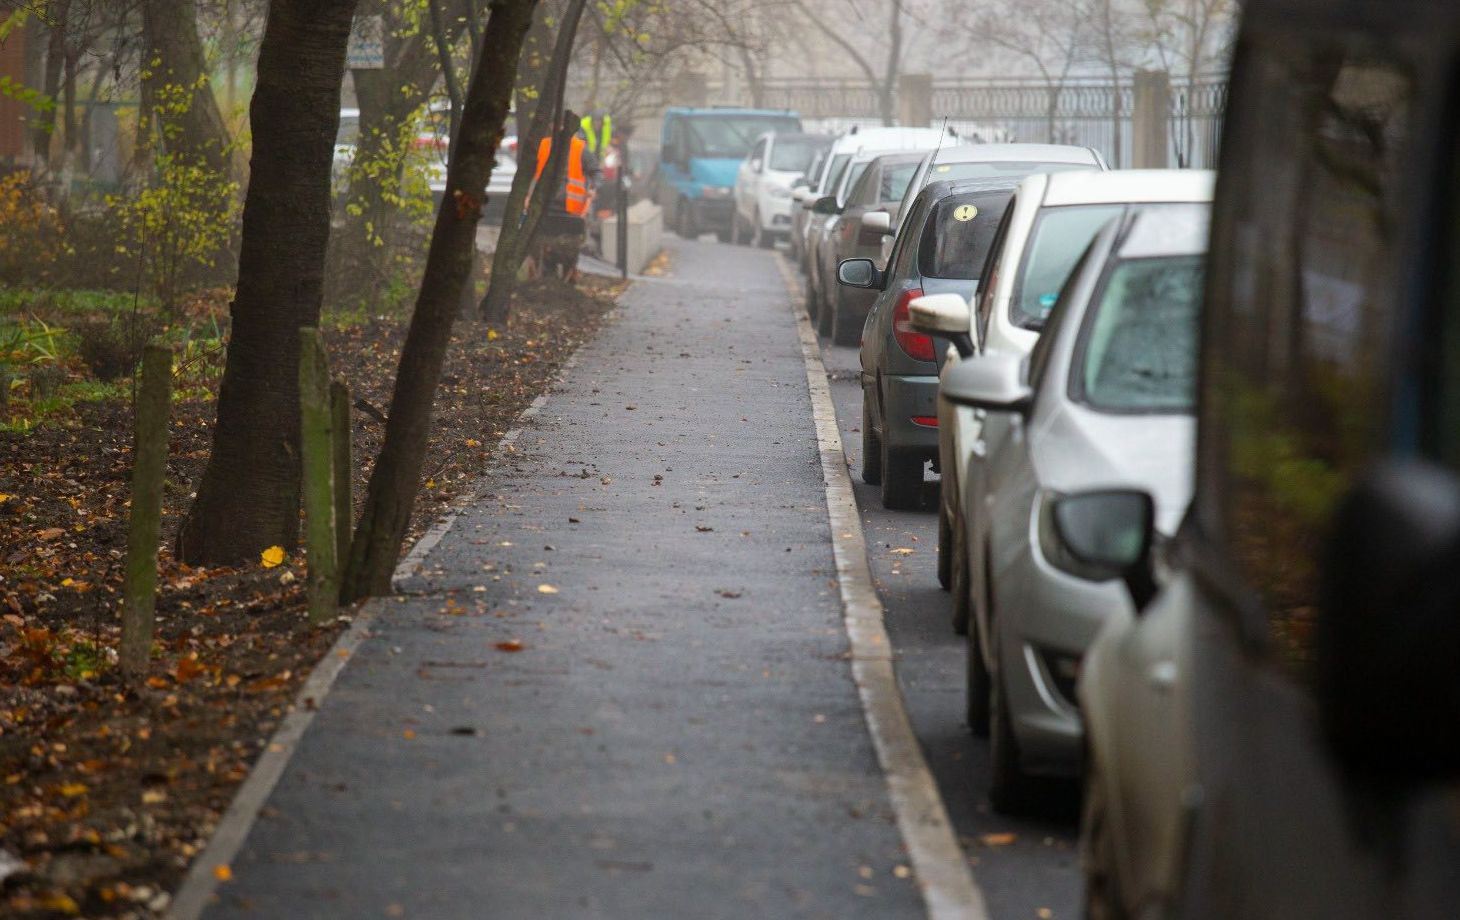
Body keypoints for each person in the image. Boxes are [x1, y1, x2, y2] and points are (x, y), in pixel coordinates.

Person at [531, 110, 599, 281]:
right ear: (550, 126)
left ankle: (568, 271)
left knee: (569, 245)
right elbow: (531, 172)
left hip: (570, 209)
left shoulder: (579, 149)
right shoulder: (544, 146)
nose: (559, 128)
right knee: (545, 242)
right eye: (556, 125)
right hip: (546, 206)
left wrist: (593, 188)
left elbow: (596, 172)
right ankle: (547, 271)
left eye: (562, 125)